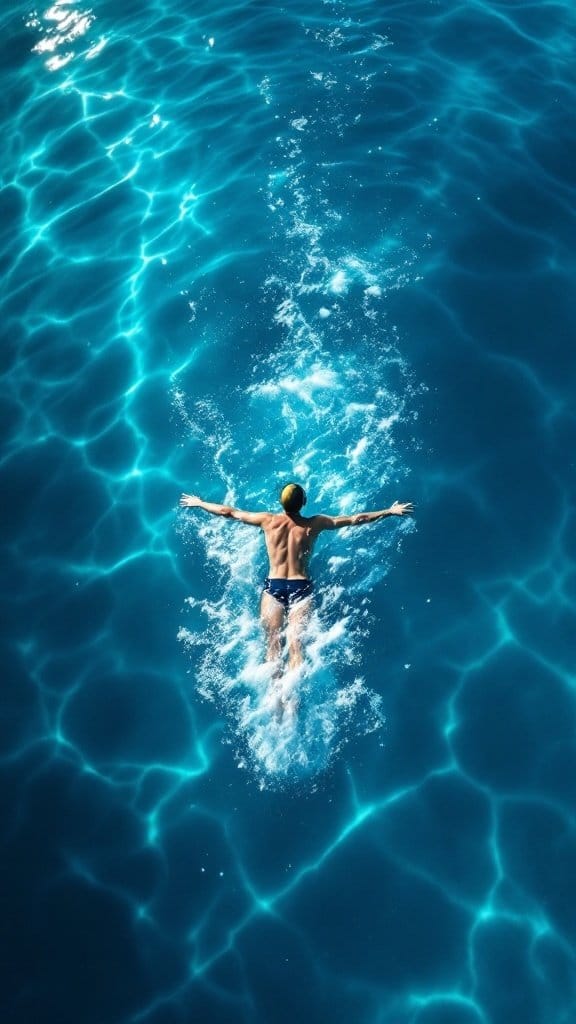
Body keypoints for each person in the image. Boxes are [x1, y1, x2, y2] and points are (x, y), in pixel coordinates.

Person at [179, 484, 413, 698]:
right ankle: (293, 702)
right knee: (295, 645)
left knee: (273, 644)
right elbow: (356, 519)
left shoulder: (267, 521)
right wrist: (388, 511)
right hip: (301, 588)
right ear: (304, 503)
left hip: (274, 588)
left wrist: (199, 503)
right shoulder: (315, 523)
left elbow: (227, 512)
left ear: (281, 504)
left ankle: (275, 701)